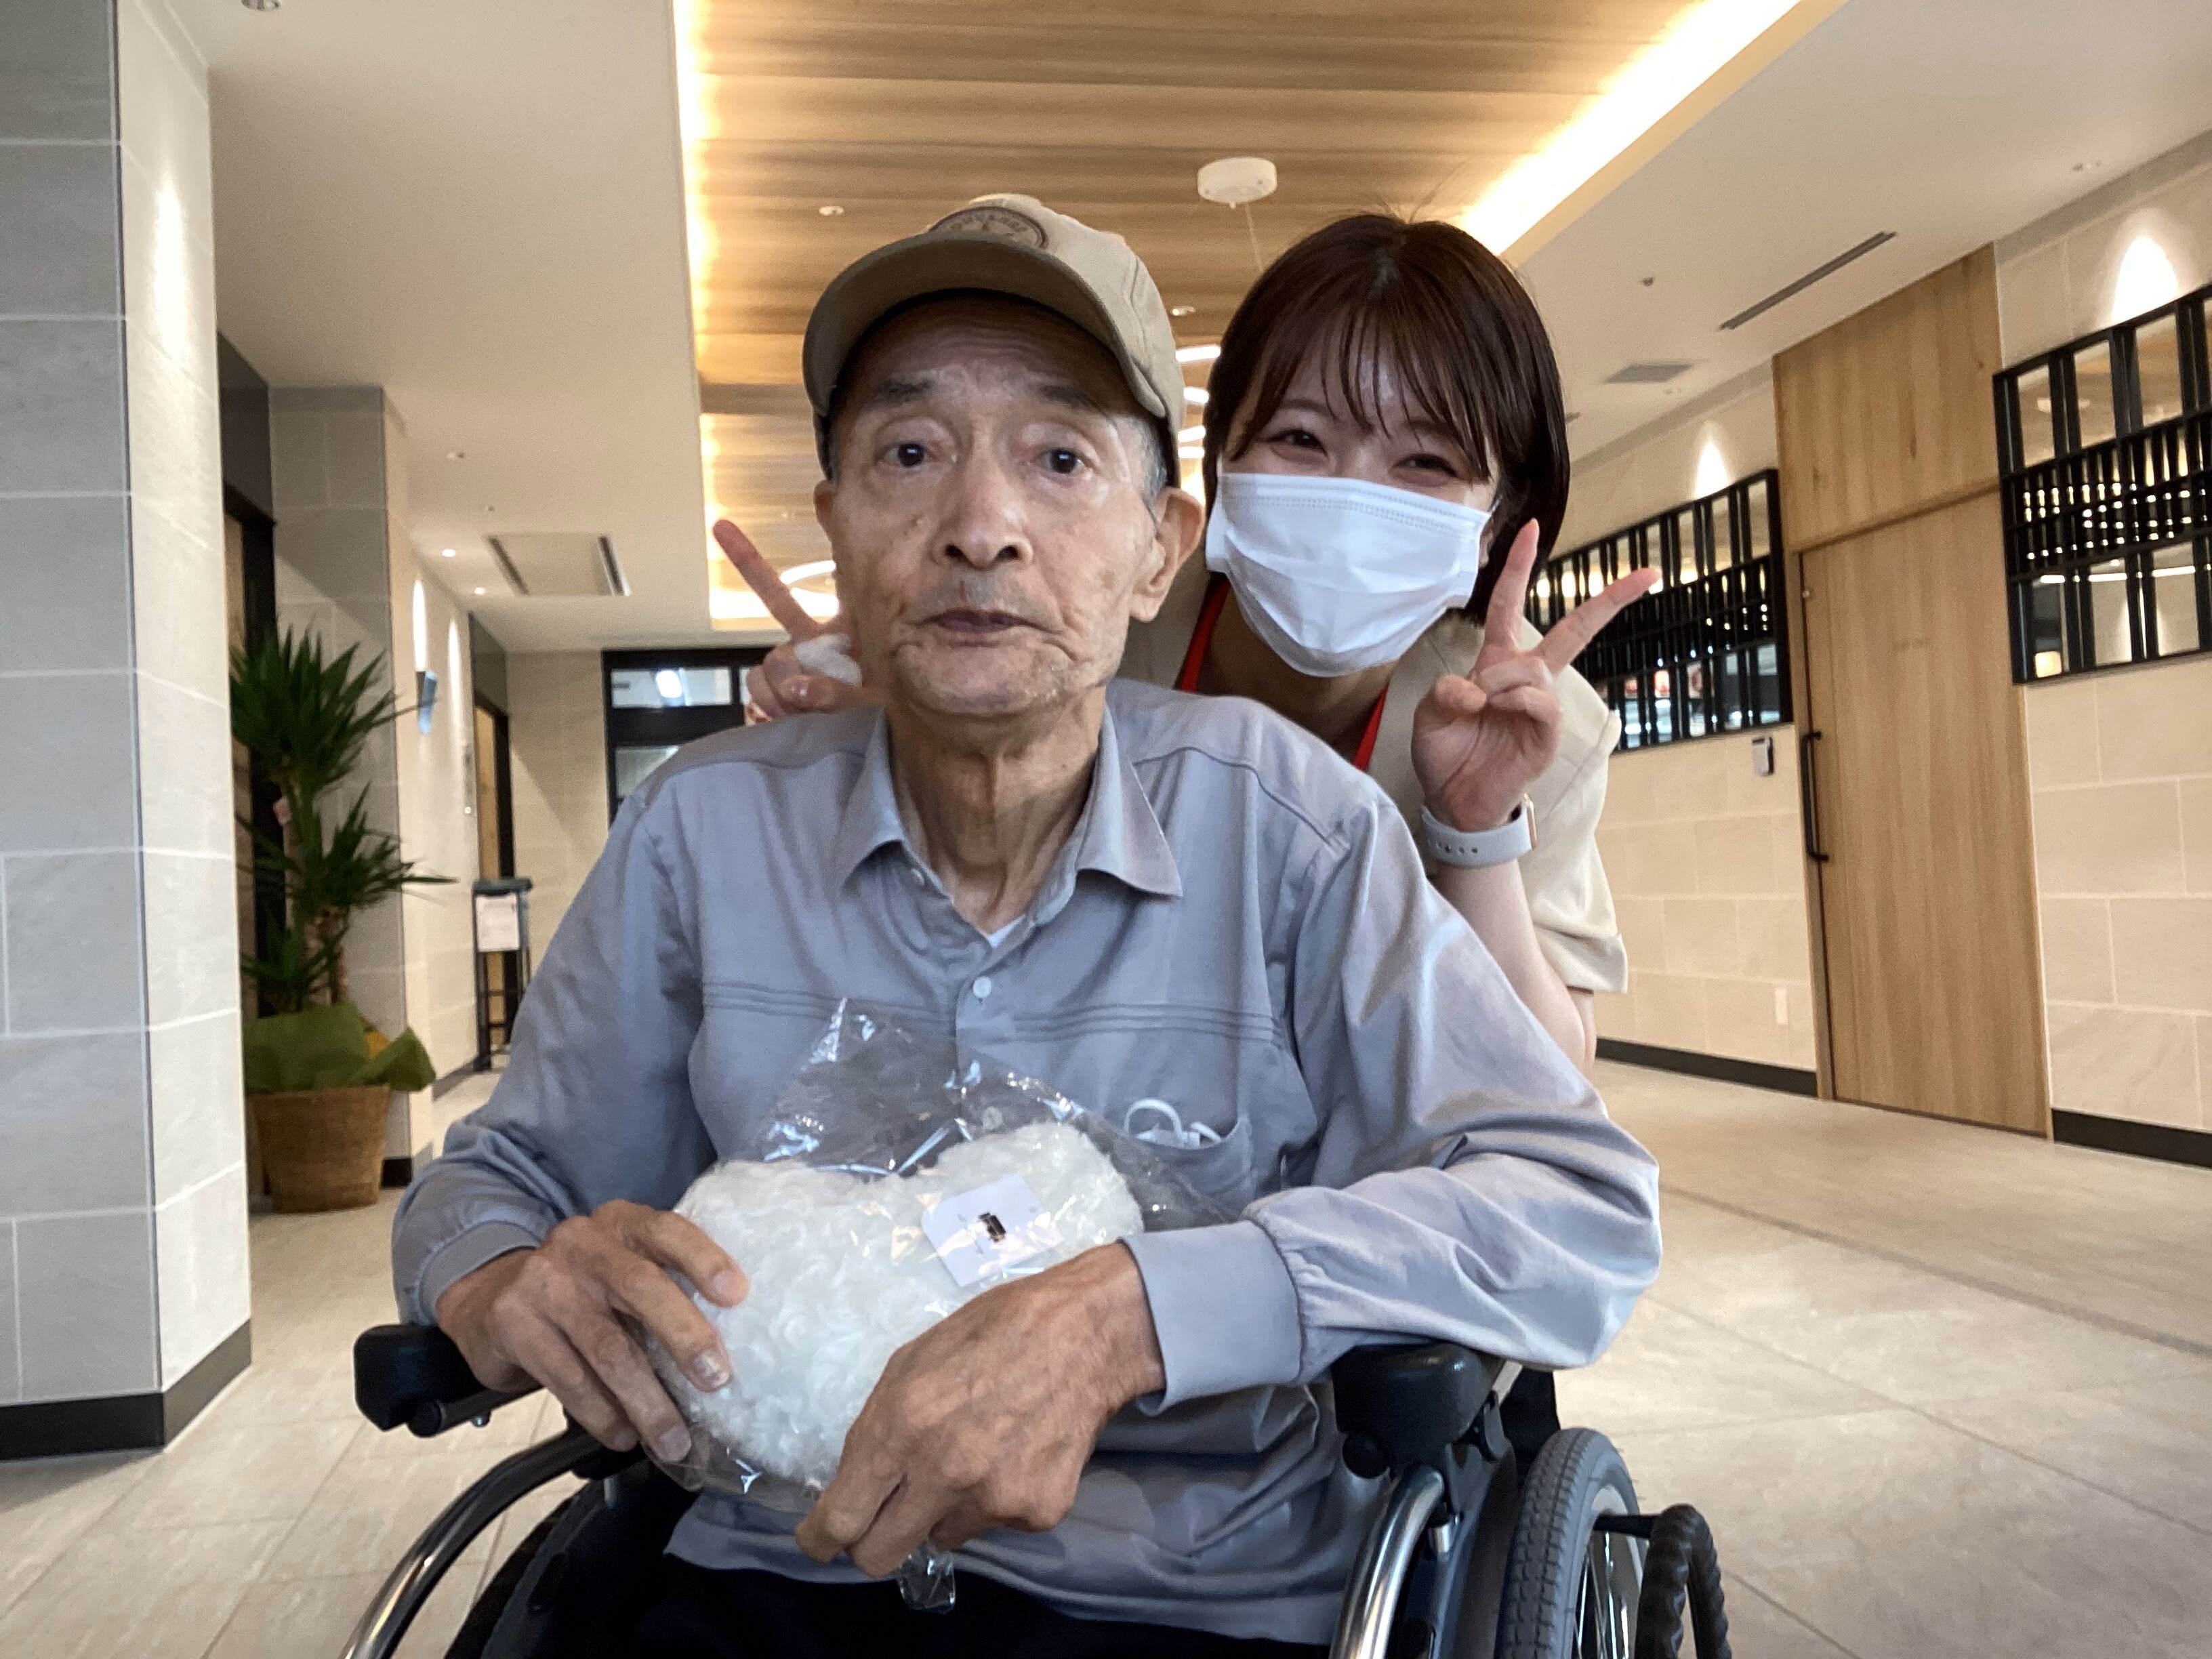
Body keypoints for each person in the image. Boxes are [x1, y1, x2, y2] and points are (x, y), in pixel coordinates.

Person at [395, 196, 1660, 1656]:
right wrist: (504, 1276)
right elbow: (504, 1173)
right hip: (770, 1573)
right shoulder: (706, 828)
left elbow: (1570, 1195)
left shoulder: (1301, 822)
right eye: (909, 454)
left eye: (1060, 460)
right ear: (837, 527)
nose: (980, 528)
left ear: (1161, 546)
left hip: (1191, 1595)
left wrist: (1135, 1313)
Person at [731, 213, 1656, 1078]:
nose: (1351, 500)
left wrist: (1476, 828)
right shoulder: (1084, 639)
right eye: (1301, 438)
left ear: (1498, 520)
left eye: (1427, 462)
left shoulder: (1535, 728)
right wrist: (904, 719)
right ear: (1223, 461)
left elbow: (1543, 1081)